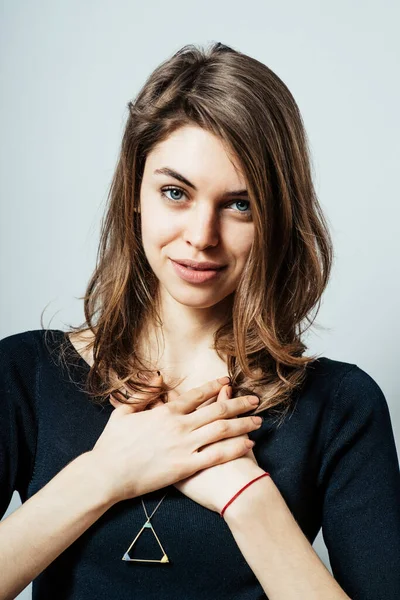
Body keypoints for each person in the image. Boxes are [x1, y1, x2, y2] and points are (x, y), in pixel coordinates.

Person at [0, 41, 399, 600]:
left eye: (240, 204)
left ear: (277, 216)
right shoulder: (24, 376)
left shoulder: (341, 407)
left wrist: (249, 499)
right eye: (175, 193)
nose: (202, 236)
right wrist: (104, 475)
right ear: (134, 193)